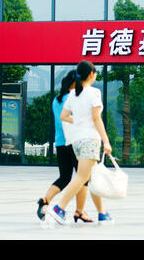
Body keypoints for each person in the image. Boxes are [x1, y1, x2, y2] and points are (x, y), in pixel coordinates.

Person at [48, 60, 113, 225]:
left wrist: (78, 121)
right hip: (90, 139)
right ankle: (59, 208)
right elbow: (97, 118)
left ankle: (102, 213)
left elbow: (63, 116)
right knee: (82, 177)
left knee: (92, 177)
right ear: (91, 74)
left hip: (76, 140)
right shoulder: (94, 93)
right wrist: (106, 141)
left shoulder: (72, 94)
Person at [36, 70, 93, 223]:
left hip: (61, 143)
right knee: (83, 178)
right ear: (76, 83)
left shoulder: (57, 100)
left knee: (65, 177)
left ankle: (45, 200)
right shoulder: (74, 99)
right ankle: (79, 212)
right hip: (75, 142)